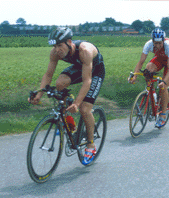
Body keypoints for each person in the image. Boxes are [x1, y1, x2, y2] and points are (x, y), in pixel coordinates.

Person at [28, 27, 105, 165]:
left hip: (95, 71)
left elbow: (87, 80)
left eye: (60, 45)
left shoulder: (84, 50)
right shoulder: (55, 53)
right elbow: (48, 75)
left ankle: (91, 145)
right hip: (79, 66)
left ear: (69, 42)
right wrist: (39, 94)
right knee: (60, 83)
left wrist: (77, 102)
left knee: (84, 109)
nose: (57, 49)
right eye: (55, 46)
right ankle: (69, 122)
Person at [128, 28, 169, 128]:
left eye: (160, 43)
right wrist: (135, 75)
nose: (158, 46)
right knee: (147, 69)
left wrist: (164, 82)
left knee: (164, 87)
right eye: (155, 43)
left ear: (163, 41)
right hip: (160, 59)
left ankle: (163, 115)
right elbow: (141, 62)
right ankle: (150, 93)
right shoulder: (148, 44)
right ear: (152, 41)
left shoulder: (168, 45)